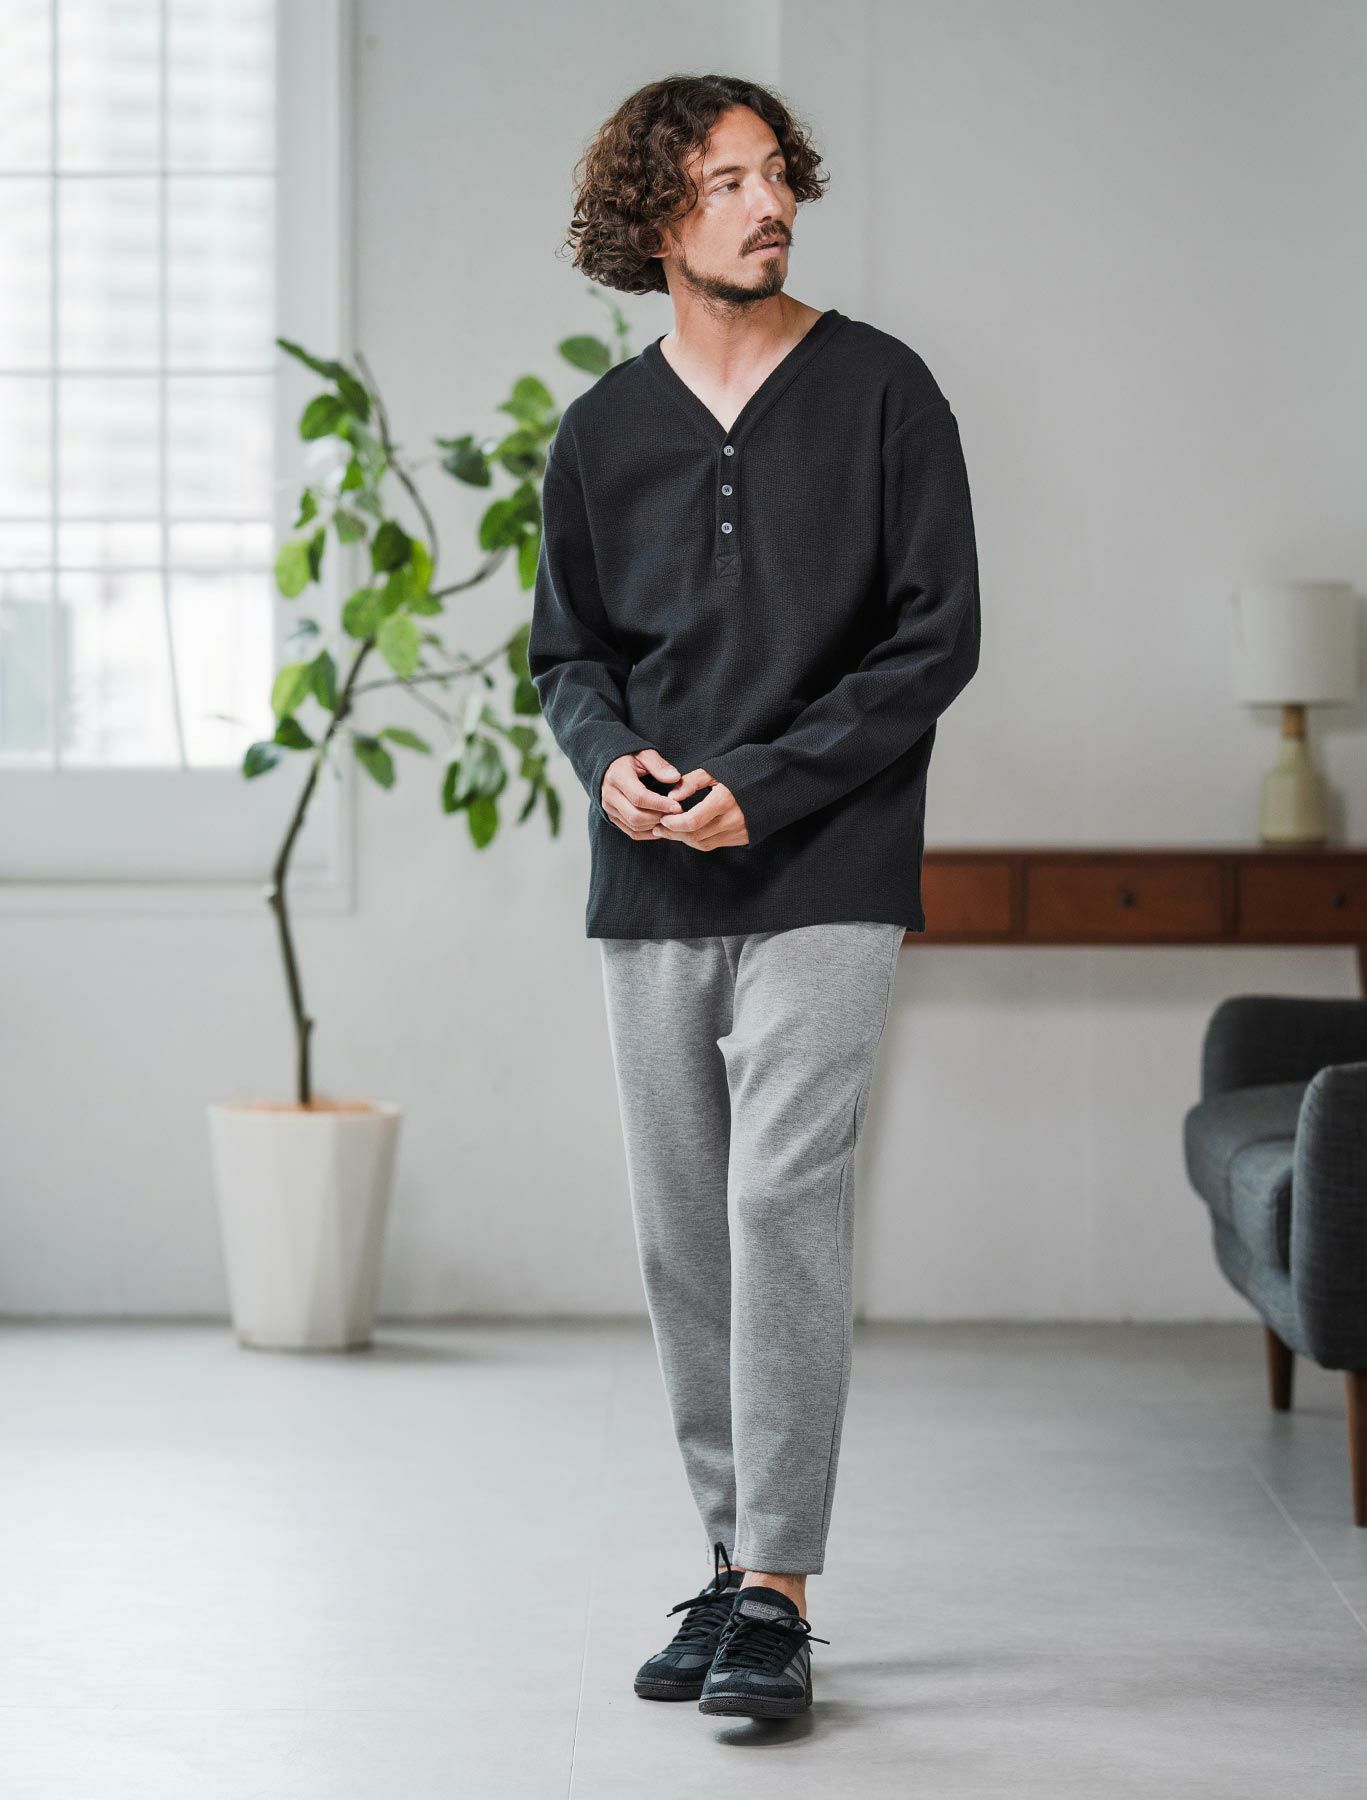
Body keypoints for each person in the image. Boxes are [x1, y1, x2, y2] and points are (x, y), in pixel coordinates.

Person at [528, 72, 982, 1722]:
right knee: (682, 1231)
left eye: (775, 172)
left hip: (829, 863)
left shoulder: (884, 392)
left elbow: (936, 640)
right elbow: (568, 658)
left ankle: (781, 1587)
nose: (767, 201)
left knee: (780, 1199)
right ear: (655, 214)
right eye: (725, 180)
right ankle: (729, 1565)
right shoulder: (601, 431)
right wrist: (608, 765)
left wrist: (770, 785)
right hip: (648, 876)